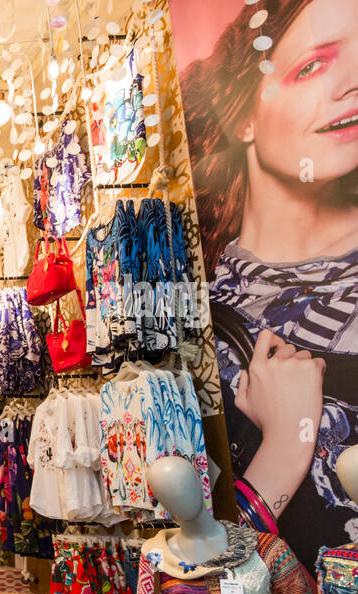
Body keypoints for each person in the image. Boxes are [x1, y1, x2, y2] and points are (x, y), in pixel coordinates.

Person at [181, 0, 357, 558]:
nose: (352, 83)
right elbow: (202, 568)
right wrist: (284, 449)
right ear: (243, 117)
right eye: (313, 65)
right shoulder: (199, 313)